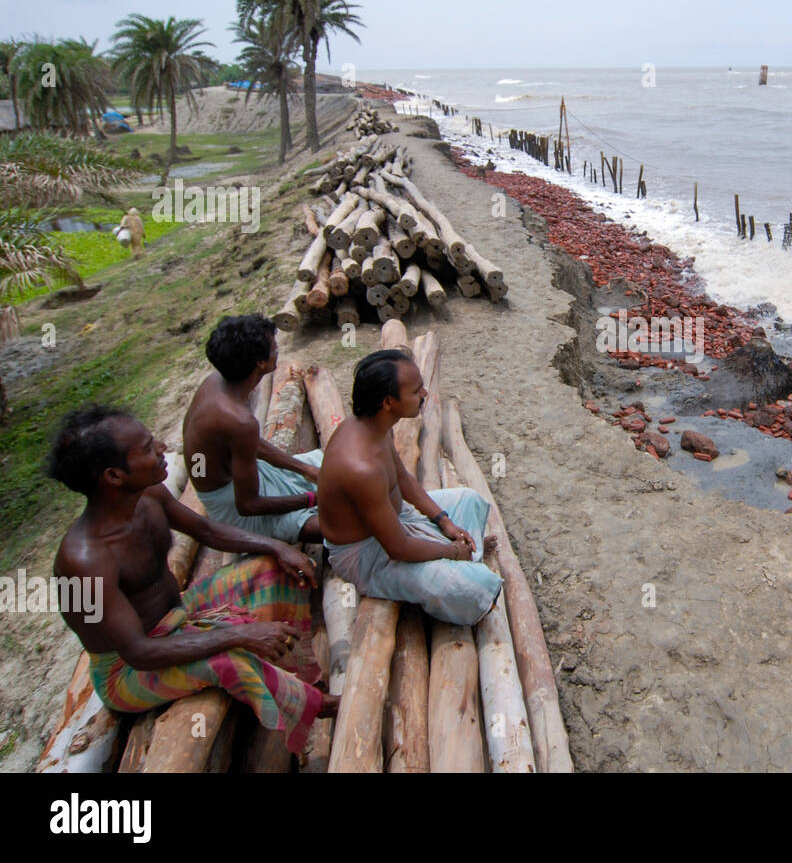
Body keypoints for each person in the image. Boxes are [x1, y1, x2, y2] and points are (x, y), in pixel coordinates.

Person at [48, 406, 336, 754]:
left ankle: (295, 670)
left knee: (272, 567)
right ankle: (319, 706)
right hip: (128, 670)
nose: (161, 446)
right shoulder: (83, 560)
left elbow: (205, 529)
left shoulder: (149, 496)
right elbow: (138, 652)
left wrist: (276, 546)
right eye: (145, 448)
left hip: (178, 614)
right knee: (229, 659)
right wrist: (241, 634)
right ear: (113, 476)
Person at [318, 349, 502, 626]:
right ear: (389, 402)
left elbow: (403, 480)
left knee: (469, 499)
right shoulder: (360, 467)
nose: (425, 394)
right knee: (476, 585)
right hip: (369, 554)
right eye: (417, 391)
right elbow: (398, 548)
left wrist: (444, 521)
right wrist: (451, 550)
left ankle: (456, 556)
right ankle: (457, 564)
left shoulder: (378, 426)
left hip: (397, 521)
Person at [183, 314, 322, 545]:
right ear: (260, 362)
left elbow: (249, 444)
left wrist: (304, 468)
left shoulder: (218, 380)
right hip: (234, 507)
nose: (277, 349)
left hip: (247, 477)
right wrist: (313, 499)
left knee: (329, 462)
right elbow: (248, 506)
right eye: (273, 346)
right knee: (342, 526)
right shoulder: (238, 420)